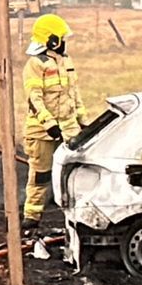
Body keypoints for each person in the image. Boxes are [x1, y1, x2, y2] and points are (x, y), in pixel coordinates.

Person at [21, 14, 87, 231]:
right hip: (41, 131)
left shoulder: (66, 61)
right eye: (62, 38)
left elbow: (74, 93)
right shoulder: (35, 64)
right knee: (40, 174)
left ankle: (73, 215)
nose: (65, 42)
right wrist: (48, 122)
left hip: (69, 129)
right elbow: (34, 97)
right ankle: (32, 216)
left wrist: (82, 121)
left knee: (73, 172)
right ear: (52, 41)